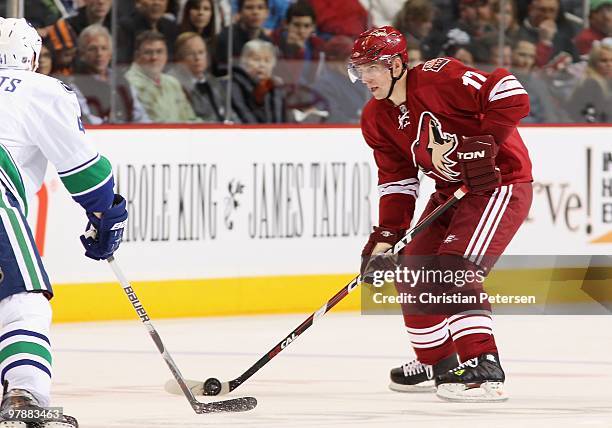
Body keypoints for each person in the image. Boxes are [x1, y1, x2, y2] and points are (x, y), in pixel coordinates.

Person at [350, 26, 532, 402]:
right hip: (451, 192)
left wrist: (487, 143)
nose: (365, 78)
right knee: (414, 271)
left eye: (373, 68)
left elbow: (510, 92)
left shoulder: (439, 77)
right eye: (360, 69)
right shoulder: (375, 117)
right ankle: (439, 363)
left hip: (497, 185)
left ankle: (483, 366)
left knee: (454, 267)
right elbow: (397, 181)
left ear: (398, 64)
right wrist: (386, 236)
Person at [0, 18, 127, 427]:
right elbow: (85, 172)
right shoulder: (39, 90)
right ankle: (25, 395)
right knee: (23, 303)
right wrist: (107, 213)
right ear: (32, 57)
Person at [70, 24, 150, 124]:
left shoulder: (123, 80)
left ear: (110, 53)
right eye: (92, 49)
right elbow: (86, 119)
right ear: (82, 54)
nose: (99, 54)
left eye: (104, 48)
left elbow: (139, 115)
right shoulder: (76, 85)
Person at [126, 30, 201, 122]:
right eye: (148, 52)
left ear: (166, 55)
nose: (154, 57)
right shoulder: (129, 84)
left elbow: (190, 118)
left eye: (159, 52)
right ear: (137, 56)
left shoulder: (172, 82)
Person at [169, 32, 229, 122]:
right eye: (190, 53)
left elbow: (227, 112)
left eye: (201, 52)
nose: (197, 58)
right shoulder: (173, 84)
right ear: (179, 58)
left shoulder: (210, 79)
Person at [227, 39, 286, 123]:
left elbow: (284, 120)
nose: (262, 65)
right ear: (244, 61)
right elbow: (245, 116)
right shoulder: (234, 85)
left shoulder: (276, 87)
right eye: (256, 59)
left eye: (267, 60)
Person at [214, 0, 272, 75]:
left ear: (267, 13)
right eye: (249, 7)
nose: (255, 12)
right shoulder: (226, 38)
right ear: (239, 12)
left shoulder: (267, 43)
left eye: (260, 8)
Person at [567, 40, 612, 122]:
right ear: (594, 63)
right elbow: (588, 117)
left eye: (611, 60)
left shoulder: (607, 82)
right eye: (604, 61)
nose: (609, 64)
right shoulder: (591, 84)